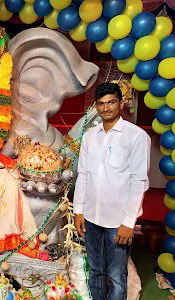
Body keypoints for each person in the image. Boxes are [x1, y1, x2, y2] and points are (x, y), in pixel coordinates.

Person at [73, 82, 150, 300]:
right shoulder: (90, 136)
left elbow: (139, 181)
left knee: (117, 275)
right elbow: (84, 174)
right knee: (96, 271)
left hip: (118, 222)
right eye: (101, 104)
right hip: (91, 217)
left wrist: (128, 221)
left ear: (121, 103)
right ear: (95, 106)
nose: (106, 108)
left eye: (111, 102)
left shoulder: (135, 136)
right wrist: (79, 211)